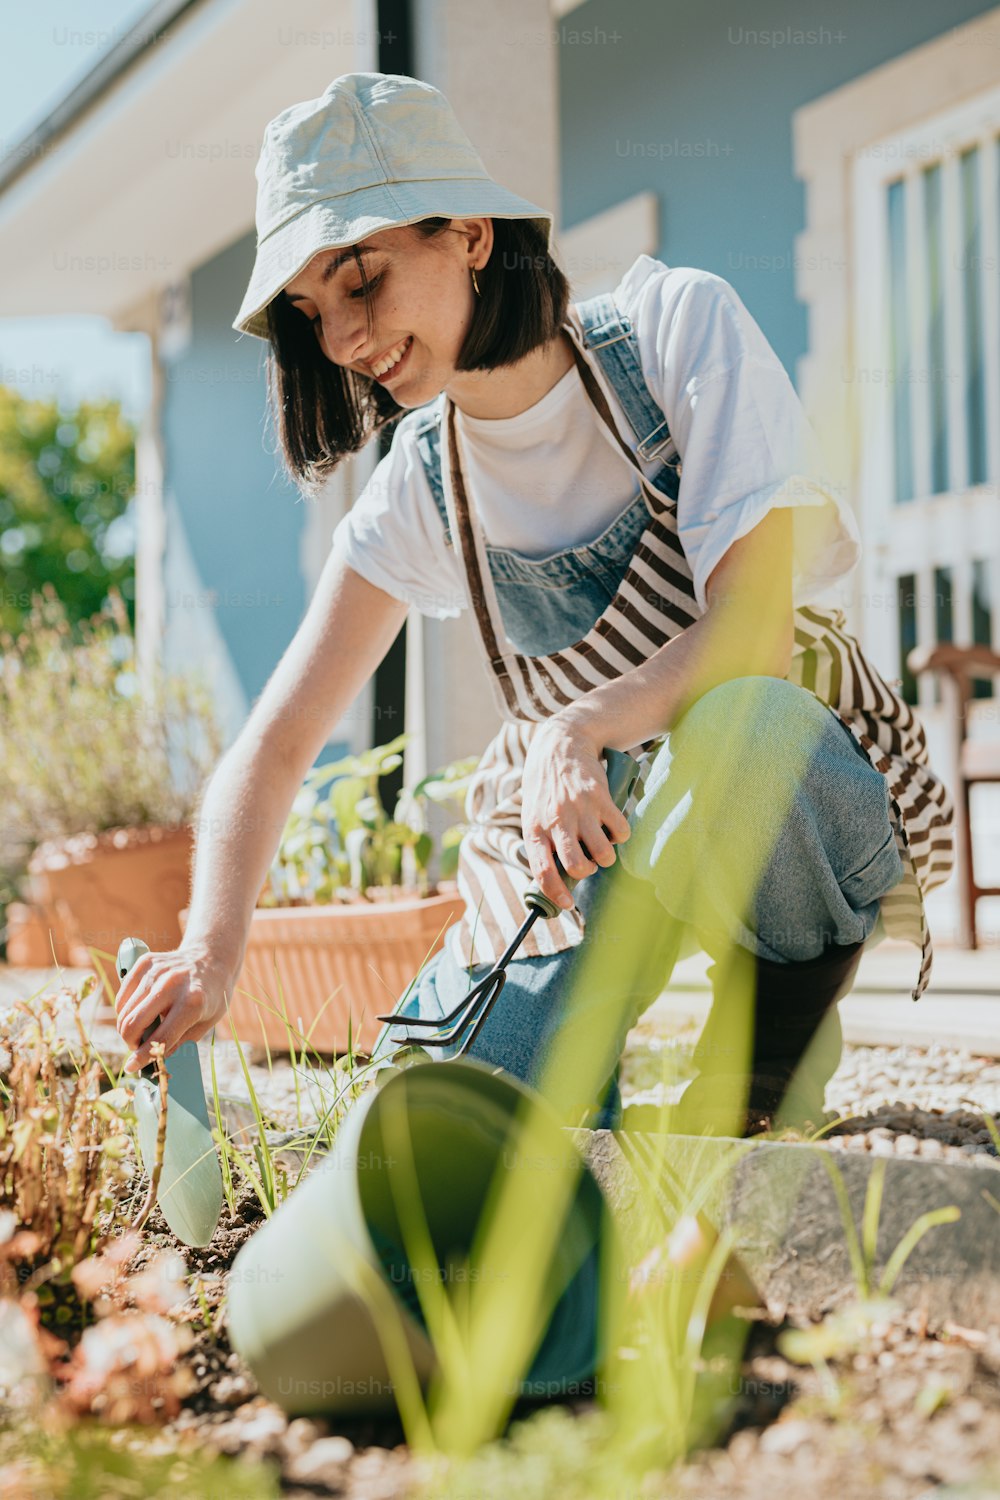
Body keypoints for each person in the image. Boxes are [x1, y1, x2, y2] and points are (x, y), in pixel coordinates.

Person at [114, 71, 955, 1137]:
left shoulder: (673, 332)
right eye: (311, 312)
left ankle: (759, 1069)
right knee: (434, 1119)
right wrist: (208, 951)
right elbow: (276, 744)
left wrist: (577, 724)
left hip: (768, 805)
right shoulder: (420, 486)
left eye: (360, 281)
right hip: (577, 844)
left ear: (467, 234)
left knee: (753, 726)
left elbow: (753, 629)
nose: (340, 340)